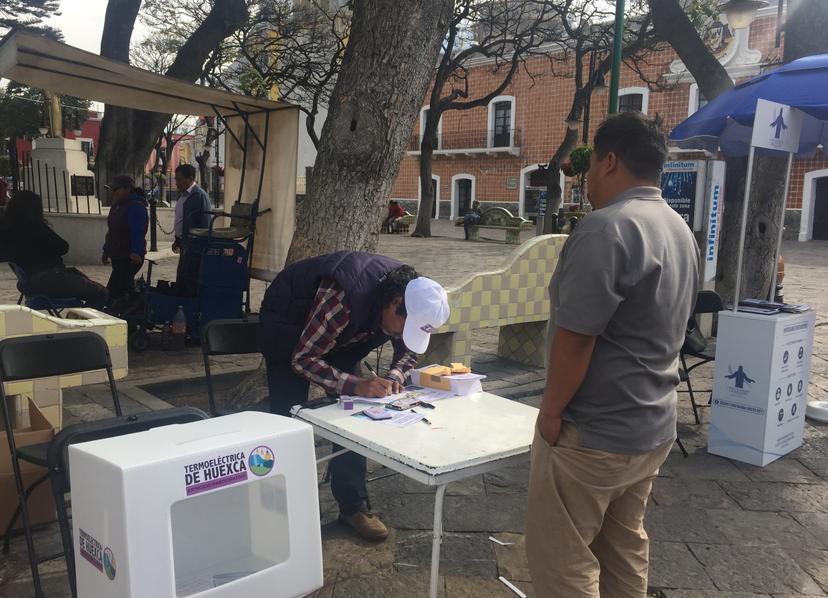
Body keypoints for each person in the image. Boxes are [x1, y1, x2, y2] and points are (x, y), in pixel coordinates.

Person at [525, 112, 700, 598]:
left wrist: (551, 413)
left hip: (594, 432)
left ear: (609, 161)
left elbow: (577, 337)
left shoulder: (606, 229)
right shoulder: (679, 229)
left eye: (590, 167)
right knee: (623, 547)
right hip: (651, 425)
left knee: (564, 561)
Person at [259, 251, 450, 541]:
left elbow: (410, 348)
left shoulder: (416, 295)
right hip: (289, 326)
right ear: (396, 303)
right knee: (288, 423)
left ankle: (353, 506)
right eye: (404, 327)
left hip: (344, 335)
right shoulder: (342, 297)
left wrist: (393, 378)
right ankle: (280, 513)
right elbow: (303, 359)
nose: (401, 335)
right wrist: (355, 384)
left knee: (354, 418)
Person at [0, 191, 107, 307]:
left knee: (85, 283)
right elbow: (63, 247)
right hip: (51, 279)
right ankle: (86, 319)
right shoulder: (36, 227)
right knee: (102, 293)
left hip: (31, 284)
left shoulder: (6, 230)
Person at [102, 175, 148, 302]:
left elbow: (137, 231)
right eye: (113, 189)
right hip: (117, 253)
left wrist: (136, 251)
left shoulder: (136, 207)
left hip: (129, 256)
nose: (114, 192)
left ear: (128, 189)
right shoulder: (117, 205)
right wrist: (106, 250)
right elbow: (112, 230)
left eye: (117, 189)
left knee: (115, 289)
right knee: (122, 287)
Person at [172, 164, 211, 296]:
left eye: (179, 179)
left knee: (191, 279)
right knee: (182, 278)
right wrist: (178, 239)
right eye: (175, 179)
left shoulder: (199, 196)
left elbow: (205, 224)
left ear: (189, 179)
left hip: (195, 247)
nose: (176, 183)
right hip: (184, 244)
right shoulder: (183, 196)